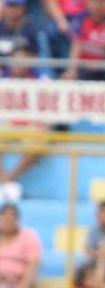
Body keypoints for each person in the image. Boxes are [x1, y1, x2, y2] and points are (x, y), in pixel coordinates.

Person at [0, 38, 45, 203]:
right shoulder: (2, 78)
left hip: (30, 124)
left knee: (37, 142)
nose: (19, 62)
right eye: (16, 57)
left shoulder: (41, 80)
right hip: (7, 123)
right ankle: (6, 182)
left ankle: (8, 181)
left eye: (23, 57)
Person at [0, 201, 41, 288]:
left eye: (12, 216)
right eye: (5, 216)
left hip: (18, 284)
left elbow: (33, 262)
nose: (8, 219)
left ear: (18, 219)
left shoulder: (29, 236)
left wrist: (24, 284)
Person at [62, 0, 105, 81]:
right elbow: (76, 45)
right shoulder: (80, 19)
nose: (97, 6)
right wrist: (72, 70)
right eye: (95, 2)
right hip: (85, 66)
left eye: (101, 2)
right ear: (88, 4)